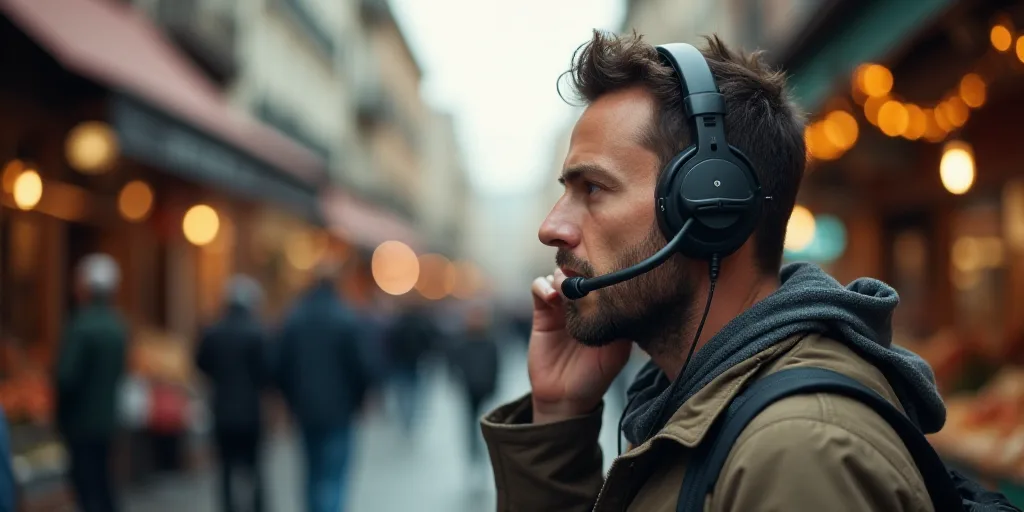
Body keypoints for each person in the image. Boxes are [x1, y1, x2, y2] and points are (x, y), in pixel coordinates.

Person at [478, 32, 947, 511]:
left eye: (593, 188)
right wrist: (559, 416)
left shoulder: (797, 450)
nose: (551, 228)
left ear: (708, 207)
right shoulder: (698, 404)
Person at [275, 260, 372, 512]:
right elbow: (361, 367)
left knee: (312, 472)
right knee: (334, 475)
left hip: (305, 408)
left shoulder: (295, 317)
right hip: (340, 409)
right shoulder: (346, 317)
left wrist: (289, 399)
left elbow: (279, 365)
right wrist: (360, 400)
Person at [55, 254, 127, 512]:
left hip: (81, 422)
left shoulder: (81, 325)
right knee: (105, 483)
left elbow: (66, 376)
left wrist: (60, 414)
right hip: (107, 420)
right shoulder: (117, 325)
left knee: (86, 486)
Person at [195, 275, 270, 512]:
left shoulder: (214, 332)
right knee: (254, 468)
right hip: (251, 411)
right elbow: (267, 372)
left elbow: (201, 364)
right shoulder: (257, 332)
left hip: (222, 409)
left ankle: (229, 507)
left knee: (225, 468)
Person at [446, 304, 500, 473]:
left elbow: (495, 365)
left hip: (483, 387)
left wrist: (493, 385)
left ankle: (481, 450)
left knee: (483, 421)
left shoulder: (490, 342)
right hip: (469, 388)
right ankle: (473, 452)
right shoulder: (462, 341)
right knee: (470, 422)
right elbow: (454, 363)